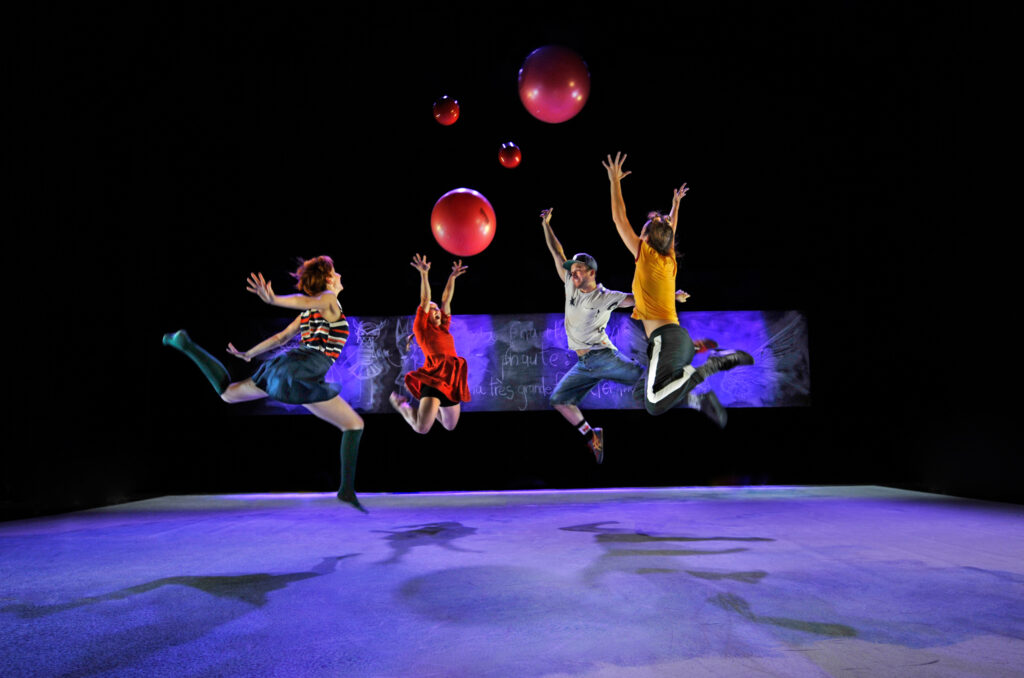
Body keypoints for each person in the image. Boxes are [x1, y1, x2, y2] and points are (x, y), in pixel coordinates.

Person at [161, 255, 367, 512]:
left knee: (228, 394)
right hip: (302, 372)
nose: (339, 275)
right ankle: (346, 490)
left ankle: (187, 345)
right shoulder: (328, 299)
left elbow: (281, 337)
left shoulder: (309, 312)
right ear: (327, 279)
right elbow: (305, 301)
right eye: (335, 272)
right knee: (354, 425)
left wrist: (250, 353)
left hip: (287, 367)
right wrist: (273, 300)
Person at [603, 152, 754, 425]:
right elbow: (664, 230)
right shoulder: (667, 259)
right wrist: (674, 207)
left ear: (645, 239)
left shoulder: (648, 255)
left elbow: (619, 218)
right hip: (675, 342)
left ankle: (712, 365)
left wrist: (615, 181)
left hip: (668, 341)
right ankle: (697, 396)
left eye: (643, 228)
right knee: (647, 395)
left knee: (653, 403)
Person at [540, 207, 652, 463]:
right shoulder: (570, 285)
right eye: (573, 269)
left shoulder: (604, 296)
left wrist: (672, 296)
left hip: (603, 357)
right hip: (584, 364)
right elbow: (557, 253)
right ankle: (592, 435)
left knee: (643, 379)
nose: (574, 273)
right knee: (559, 400)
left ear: (591, 272)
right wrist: (546, 225)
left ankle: (680, 382)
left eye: (579, 269)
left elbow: (637, 300)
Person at [389, 254, 471, 434]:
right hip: (434, 378)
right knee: (421, 428)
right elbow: (425, 300)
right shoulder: (421, 329)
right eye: (432, 310)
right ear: (425, 316)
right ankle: (401, 405)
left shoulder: (444, 327)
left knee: (450, 426)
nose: (437, 311)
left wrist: (452, 276)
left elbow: (446, 299)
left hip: (451, 379)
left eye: (437, 310)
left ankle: (433, 408)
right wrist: (424, 274)